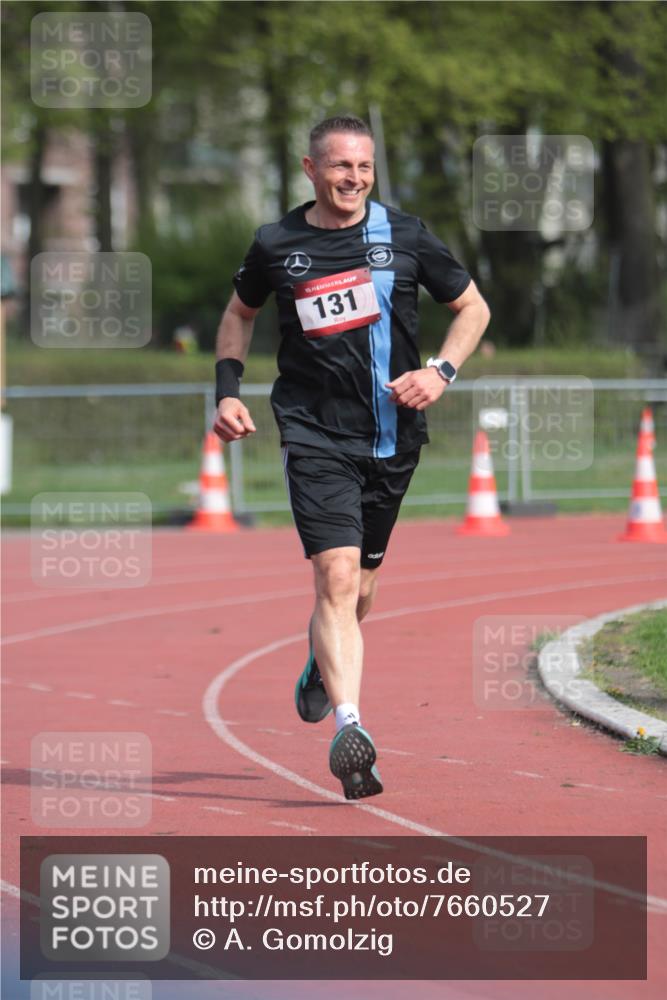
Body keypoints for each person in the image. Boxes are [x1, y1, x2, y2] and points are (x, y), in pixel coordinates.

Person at [213, 115, 490, 800]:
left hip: (393, 436)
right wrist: (226, 392)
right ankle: (350, 729)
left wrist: (441, 373)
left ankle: (320, 664)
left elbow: (472, 308)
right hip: (312, 431)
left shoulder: (404, 235)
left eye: (363, 168)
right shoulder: (277, 243)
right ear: (310, 167)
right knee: (334, 579)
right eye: (340, 167)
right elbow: (239, 315)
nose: (353, 179)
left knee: (361, 588)